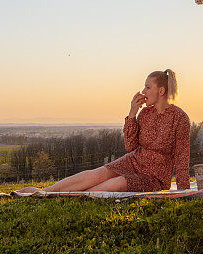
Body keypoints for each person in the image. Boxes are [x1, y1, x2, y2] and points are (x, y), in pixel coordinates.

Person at [26, 69, 191, 193]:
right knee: (96, 174)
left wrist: (183, 192)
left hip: (154, 177)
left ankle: (70, 196)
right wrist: (132, 113)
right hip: (133, 161)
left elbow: (182, 157)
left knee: (116, 184)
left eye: (148, 87)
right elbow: (130, 145)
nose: (143, 91)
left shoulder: (179, 117)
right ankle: (44, 192)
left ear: (161, 91)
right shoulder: (145, 113)